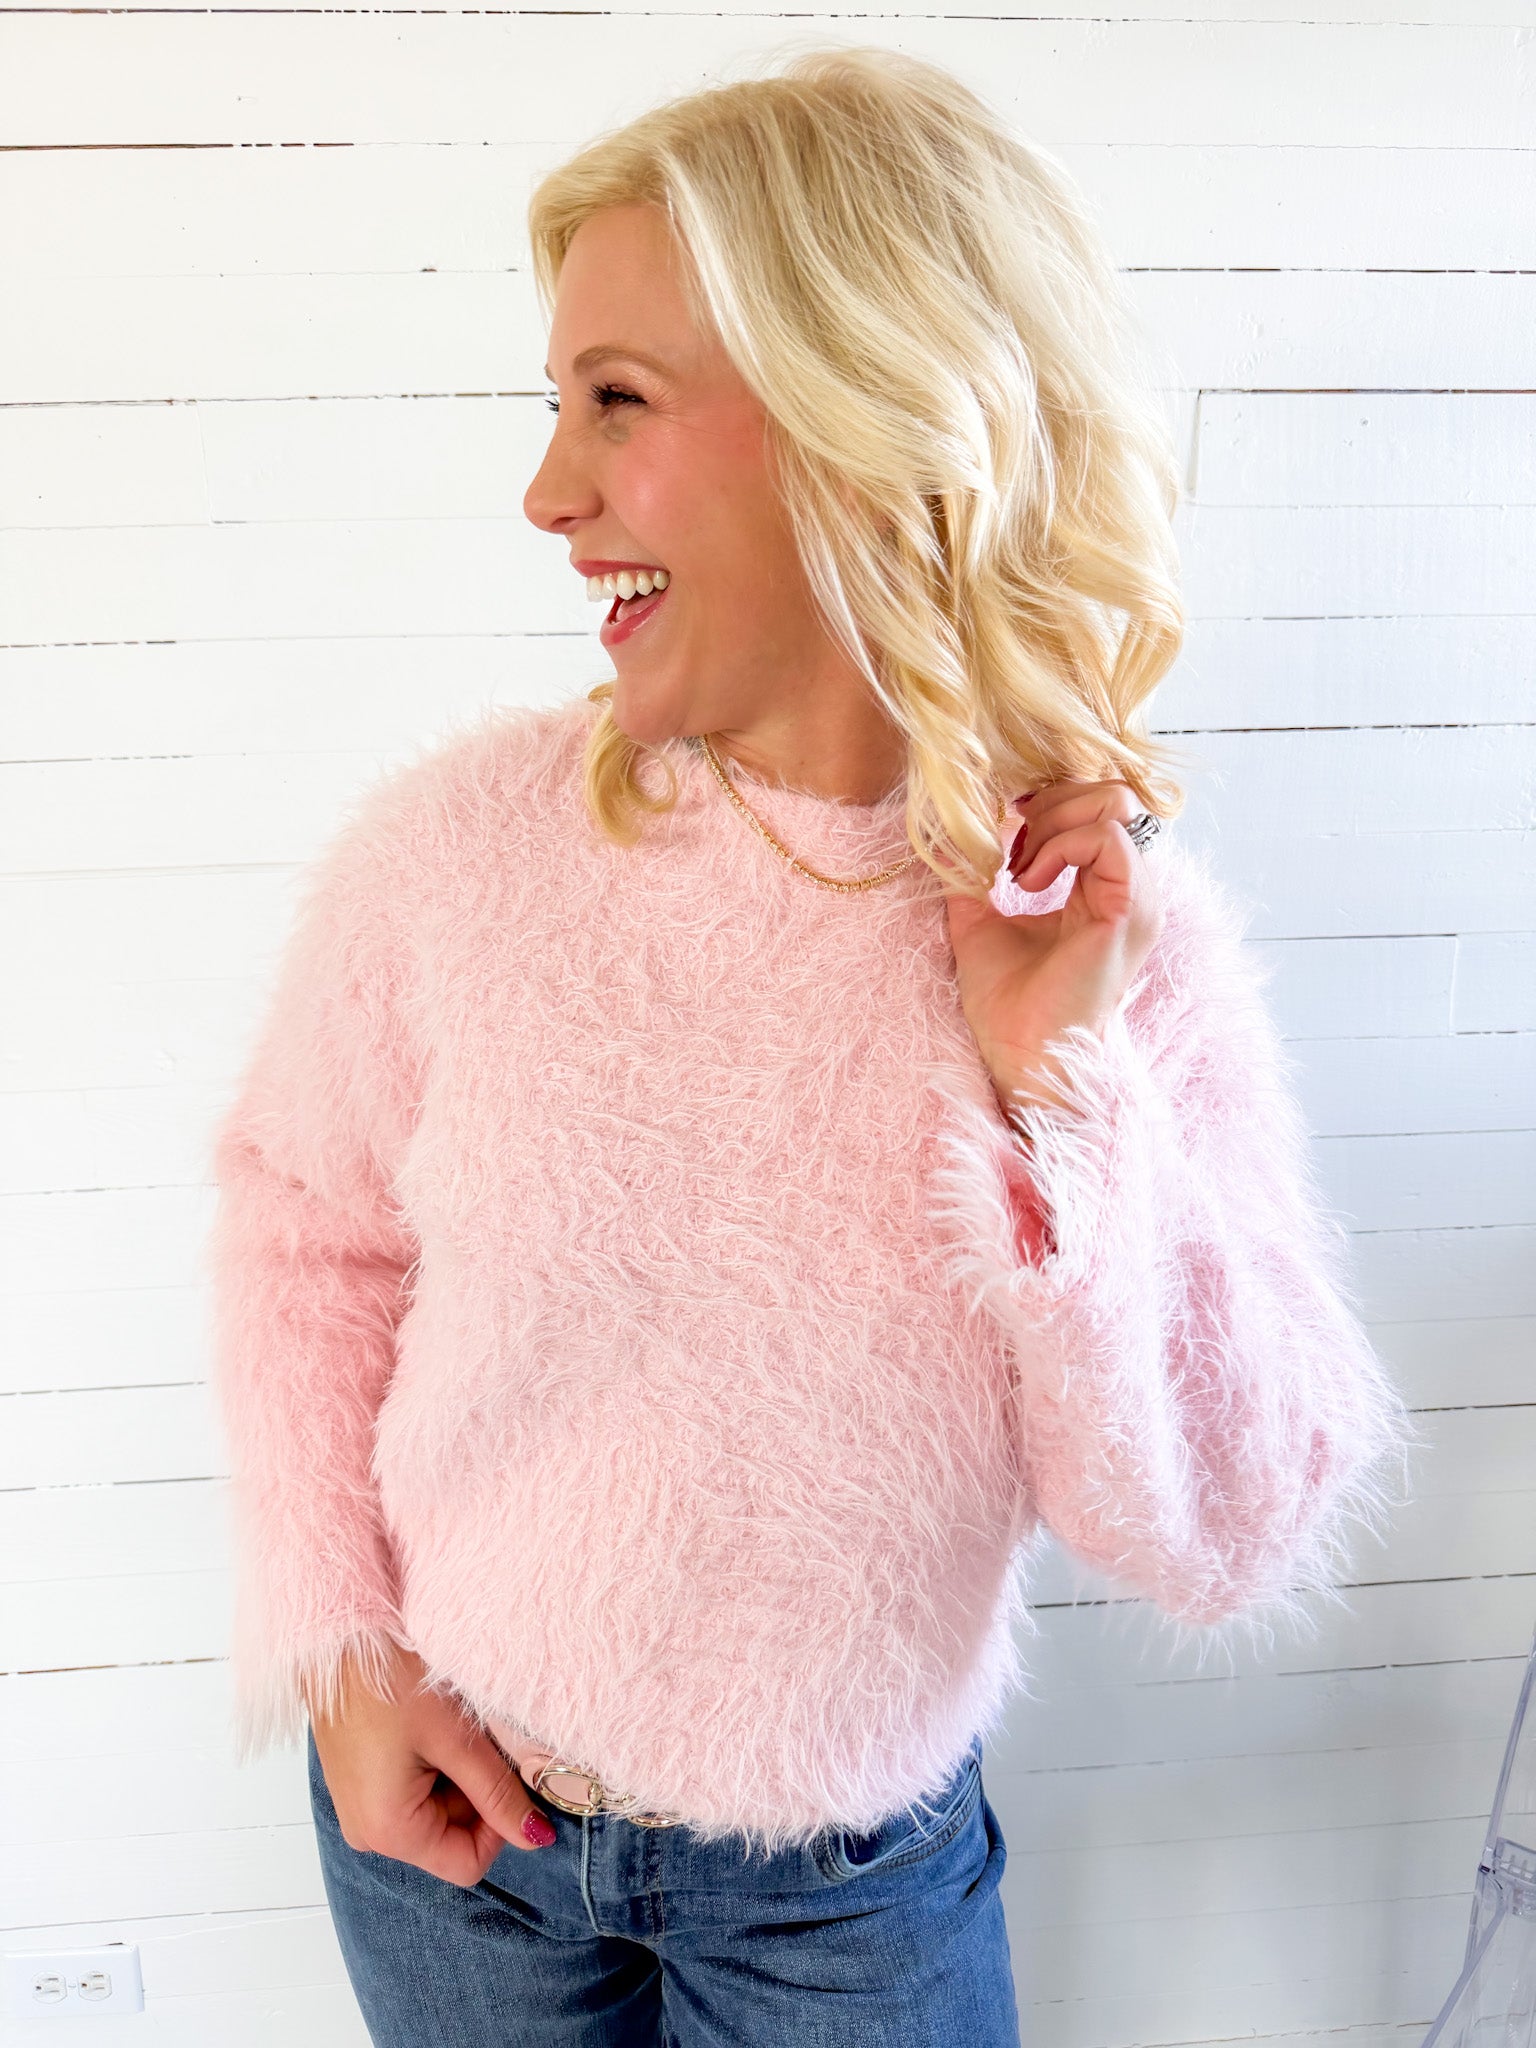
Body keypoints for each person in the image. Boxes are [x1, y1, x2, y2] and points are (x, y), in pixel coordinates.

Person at [206, 45, 1415, 2047]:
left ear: (862, 417)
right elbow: (299, 1232)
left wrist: (1052, 1094)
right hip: (459, 1846)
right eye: (553, 403)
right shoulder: (455, 858)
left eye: (617, 401)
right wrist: (335, 1646)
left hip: (843, 1905)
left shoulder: (1096, 942)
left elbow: (1216, 1528)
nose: (547, 490)